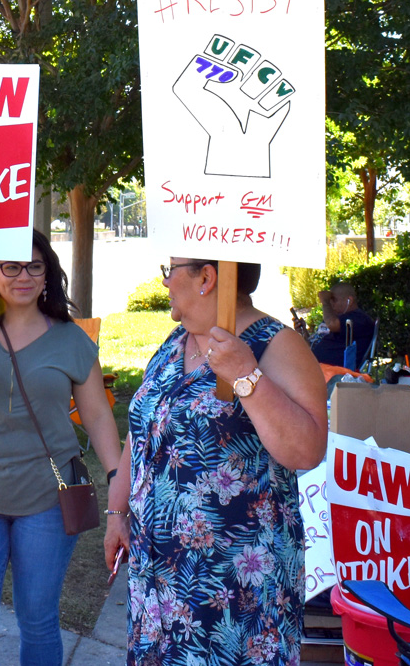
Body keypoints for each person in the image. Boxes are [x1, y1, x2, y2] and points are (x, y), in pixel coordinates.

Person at [105, 258, 327, 666]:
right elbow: (143, 430)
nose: (166, 281)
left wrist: (246, 374)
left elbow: (308, 449)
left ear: (207, 277)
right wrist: (117, 510)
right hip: (158, 581)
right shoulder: (177, 340)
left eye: (171, 269)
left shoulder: (275, 344)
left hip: (234, 587)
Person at [0, 229, 121, 666]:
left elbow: (96, 416)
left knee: (37, 618)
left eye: (35, 266)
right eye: (11, 266)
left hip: (48, 498)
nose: (24, 276)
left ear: (48, 273)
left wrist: (117, 482)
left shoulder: (72, 340)